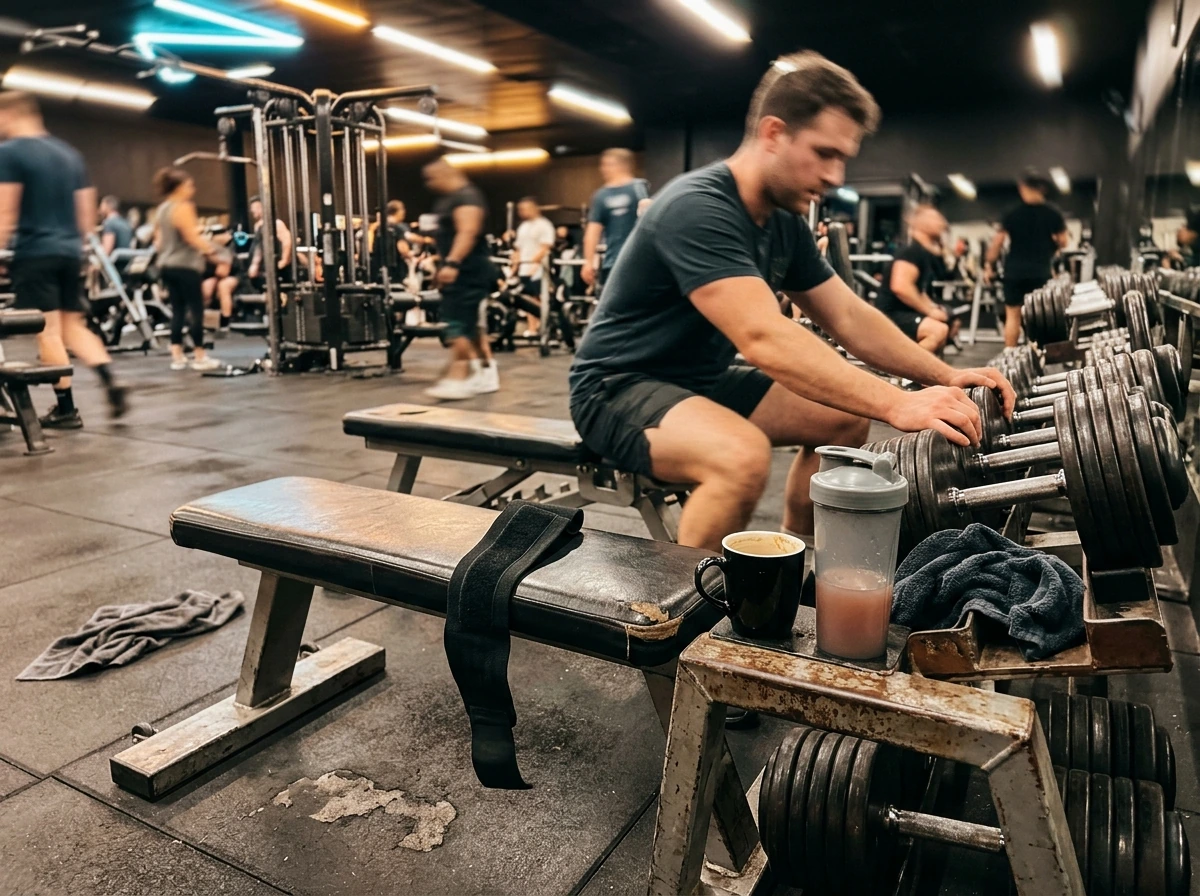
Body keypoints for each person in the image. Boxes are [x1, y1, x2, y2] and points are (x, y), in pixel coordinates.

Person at [568, 51, 1015, 554]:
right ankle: (691, 597)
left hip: (698, 380)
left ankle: (795, 552)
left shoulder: (784, 223)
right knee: (740, 457)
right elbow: (765, 338)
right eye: (825, 153)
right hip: (617, 387)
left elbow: (849, 316)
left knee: (842, 420)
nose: (837, 176)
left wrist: (945, 375)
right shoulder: (699, 206)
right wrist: (899, 402)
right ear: (774, 133)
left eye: (843, 158)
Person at [0, 90, 127, 427]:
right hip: (70, 253)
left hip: (36, 252)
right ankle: (110, 380)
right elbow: (86, 211)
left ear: (10, 114)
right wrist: (78, 250)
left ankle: (66, 408)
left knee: (48, 331)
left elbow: (5, 209)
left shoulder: (10, 153)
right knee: (73, 327)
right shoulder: (70, 154)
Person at [422, 157, 499, 400]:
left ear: (446, 174)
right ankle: (486, 373)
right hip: (460, 269)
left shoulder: (467, 196)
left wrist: (453, 263)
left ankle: (459, 378)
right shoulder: (449, 199)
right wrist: (442, 265)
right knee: (471, 327)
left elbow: (468, 231)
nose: (429, 183)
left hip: (469, 270)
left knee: (457, 325)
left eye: (433, 178)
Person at [983, 168, 1068, 347]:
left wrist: (988, 265)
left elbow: (997, 243)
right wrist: (1050, 249)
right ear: (1042, 188)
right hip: (1040, 272)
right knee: (1039, 316)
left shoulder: (1012, 212)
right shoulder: (1053, 213)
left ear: (1023, 187)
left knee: (1012, 316)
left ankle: (1010, 354)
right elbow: (1063, 242)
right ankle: (1038, 355)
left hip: (1014, 272)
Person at [151, 166, 222, 371]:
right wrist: (211, 251)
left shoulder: (162, 209)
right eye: (189, 185)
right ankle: (200, 356)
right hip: (185, 266)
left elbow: (159, 242)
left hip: (167, 265)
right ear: (179, 187)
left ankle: (177, 357)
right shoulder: (183, 207)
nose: (193, 189)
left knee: (178, 310)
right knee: (196, 309)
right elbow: (191, 237)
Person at [873, 205, 952, 353]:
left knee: (944, 323)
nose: (941, 223)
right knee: (937, 331)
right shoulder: (911, 252)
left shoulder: (922, 252)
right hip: (890, 314)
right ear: (921, 223)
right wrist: (929, 312)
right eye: (935, 219)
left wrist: (933, 308)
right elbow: (901, 287)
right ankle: (901, 366)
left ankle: (920, 367)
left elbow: (920, 291)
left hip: (903, 312)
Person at [581, 148, 651, 289]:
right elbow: (593, 231)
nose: (603, 169)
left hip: (640, 261)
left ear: (623, 165)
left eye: (609, 164)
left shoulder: (639, 187)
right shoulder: (602, 195)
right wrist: (588, 261)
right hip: (614, 261)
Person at [512, 196, 555, 335]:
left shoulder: (544, 225)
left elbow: (545, 247)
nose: (522, 212)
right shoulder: (523, 227)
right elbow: (518, 249)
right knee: (528, 300)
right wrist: (515, 268)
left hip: (539, 269)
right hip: (524, 268)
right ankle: (532, 328)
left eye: (525, 209)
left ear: (534, 208)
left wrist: (534, 265)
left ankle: (547, 326)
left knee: (540, 298)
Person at [246, 195, 292, 284]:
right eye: (252, 208)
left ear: (263, 208)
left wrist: (284, 261)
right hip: (263, 268)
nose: (252, 211)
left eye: (255, 208)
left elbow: (287, 242)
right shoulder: (257, 225)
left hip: (275, 268)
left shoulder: (276, 223)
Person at [202, 245, 238, 334]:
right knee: (207, 287)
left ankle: (225, 320)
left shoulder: (224, 251)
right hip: (211, 276)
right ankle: (204, 320)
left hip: (233, 275)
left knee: (223, 285)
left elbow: (222, 272)